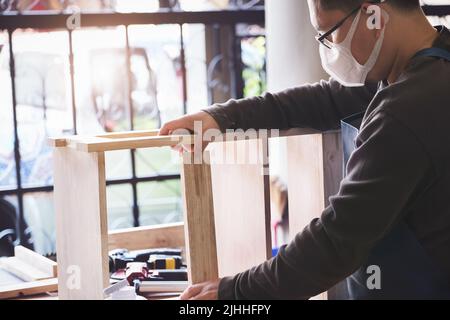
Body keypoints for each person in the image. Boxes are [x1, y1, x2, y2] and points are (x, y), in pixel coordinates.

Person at [159, 0, 450, 299]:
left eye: (330, 33)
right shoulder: (427, 63)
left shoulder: (408, 110)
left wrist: (234, 292)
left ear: (373, 15)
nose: (330, 50)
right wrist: (222, 118)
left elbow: (336, 241)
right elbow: (326, 100)